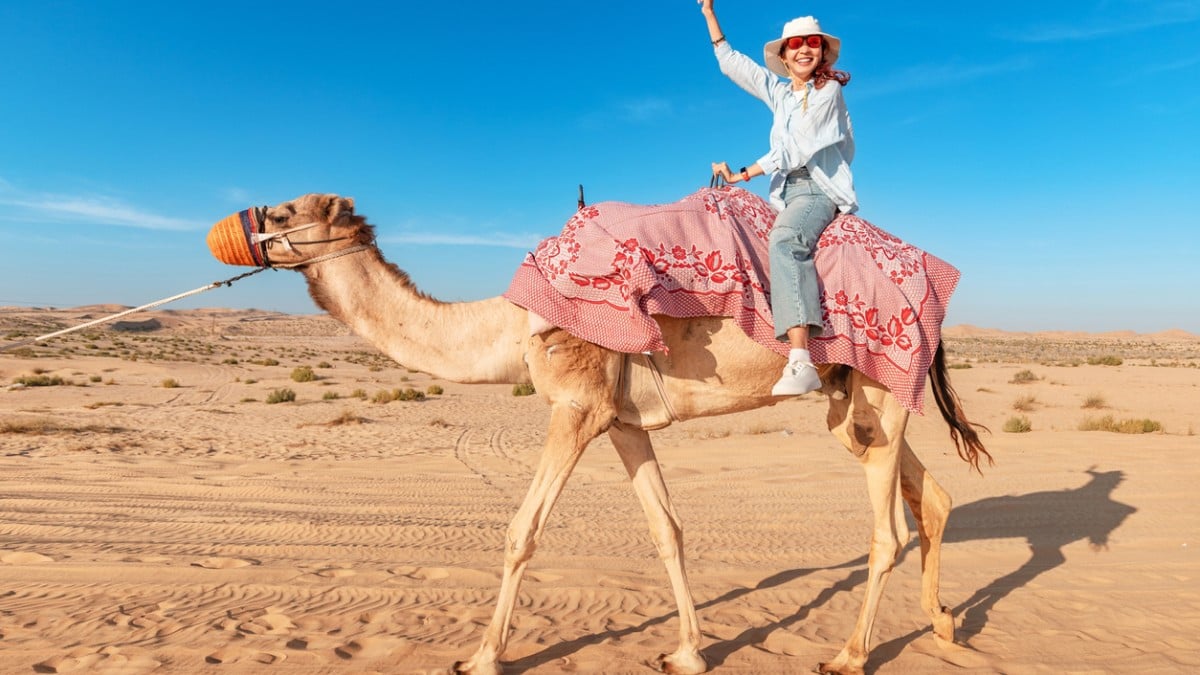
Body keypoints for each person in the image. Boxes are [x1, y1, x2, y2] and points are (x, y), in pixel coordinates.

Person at [699, 0, 857, 397]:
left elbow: (799, 147)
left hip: (817, 188)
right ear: (784, 56)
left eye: (812, 43)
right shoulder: (781, 93)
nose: (804, 49)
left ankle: (801, 359)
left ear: (821, 51)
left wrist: (745, 173)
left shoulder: (828, 93)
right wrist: (709, 14)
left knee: (786, 242)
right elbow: (736, 65)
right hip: (784, 192)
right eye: (796, 43)